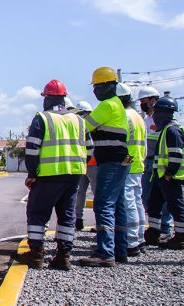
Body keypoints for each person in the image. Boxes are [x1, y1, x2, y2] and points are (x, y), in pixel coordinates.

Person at [12, 79, 88, 271]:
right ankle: (64, 256)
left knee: (37, 213)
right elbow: (91, 149)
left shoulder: (42, 118)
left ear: (47, 98)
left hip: (48, 175)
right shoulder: (79, 120)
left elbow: (32, 150)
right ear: (64, 98)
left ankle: (36, 254)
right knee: (67, 215)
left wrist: (31, 174)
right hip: (73, 175)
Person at [79, 67, 131, 267]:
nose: (95, 91)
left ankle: (105, 252)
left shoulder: (106, 105)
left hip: (111, 161)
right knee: (118, 203)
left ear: (108, 86)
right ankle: (120, 249)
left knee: (103, 203)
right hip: (121, 160)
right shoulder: (117, 104)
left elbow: (83, 127)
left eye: (97, 87)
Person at [144, 97, 184, 250]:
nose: (154, 116)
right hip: (161, 176)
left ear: (165, 113)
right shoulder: (165, 130)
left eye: (157, 112)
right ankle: (154, 232)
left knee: (175, 205)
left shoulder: (172, 130)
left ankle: (180, 236)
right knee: (154, 204)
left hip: (170, 177)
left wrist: (169, 174)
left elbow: (175, 155)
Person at [138, 86, 173, 236]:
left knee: (165, 197)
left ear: (153, 100)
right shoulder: (144, 119)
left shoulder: (163, 120)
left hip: (161, 163)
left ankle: (166, 228)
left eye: (144, 101)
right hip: (147, 162)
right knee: (147, 196)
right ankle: (155, 227)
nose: (142, 104)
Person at [118, 83, 147, 257]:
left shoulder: (125, 117)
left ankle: (131, 242)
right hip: (138, 165)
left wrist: (122, 165)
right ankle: (140, 238)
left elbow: (125, 145)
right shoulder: (138, 116)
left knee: (128, 204)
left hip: (128, 165)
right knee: (137, 203)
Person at [73, 100, 95, 231]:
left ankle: (98, 221)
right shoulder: (76, 126)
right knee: (79, 193)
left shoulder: (93, 126)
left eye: (84, 113)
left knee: (95, 193)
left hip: (93, 164)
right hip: (83, 165)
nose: (82, 116)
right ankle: (78, 220)